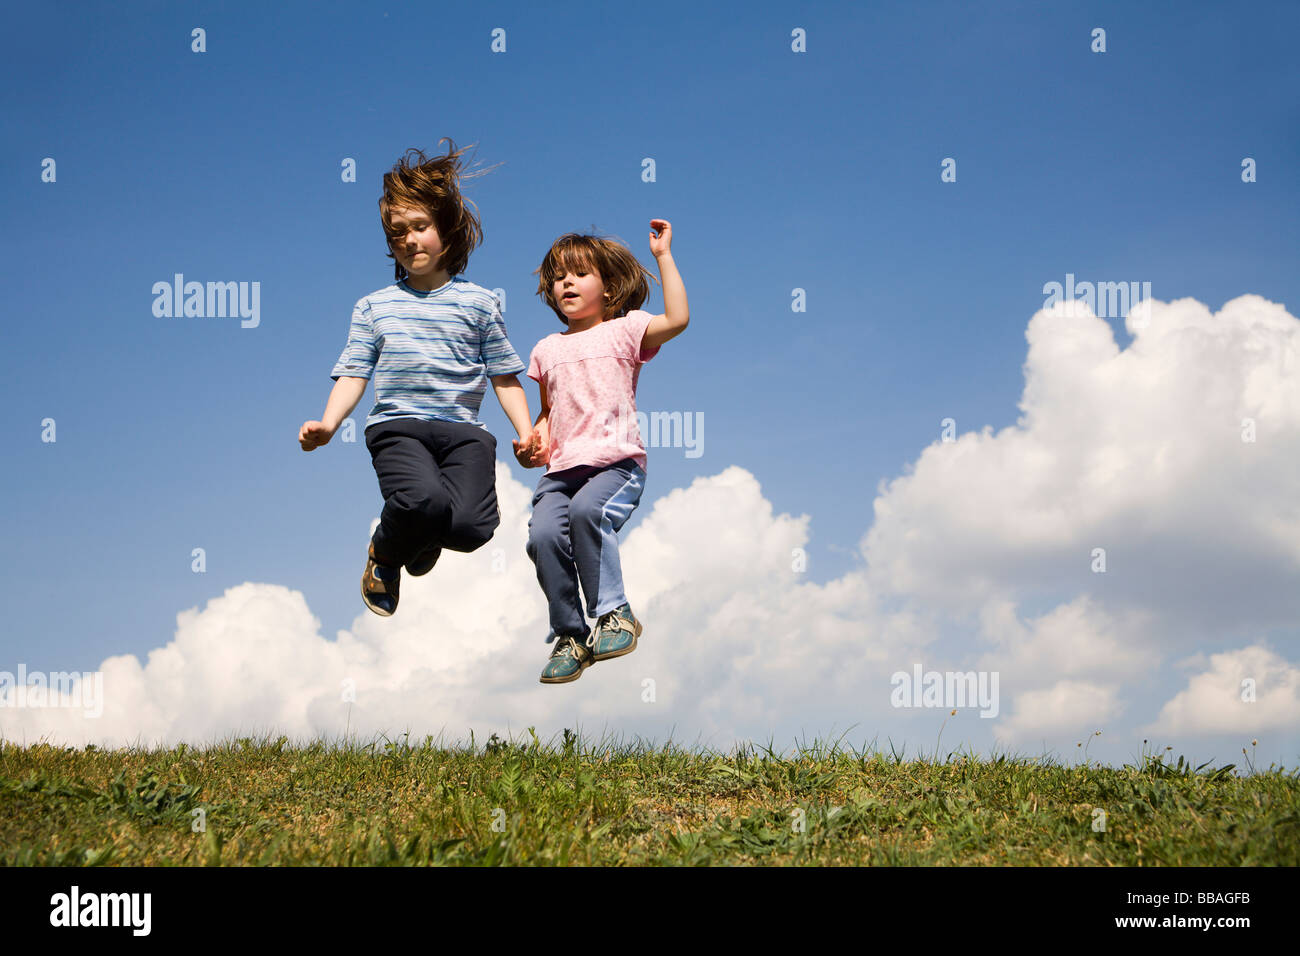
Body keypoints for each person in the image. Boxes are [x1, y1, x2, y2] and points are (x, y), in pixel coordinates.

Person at [298, 140, 539, 617]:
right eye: (397, 233)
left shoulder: (482, 303)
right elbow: (353, 373)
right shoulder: (374, 306)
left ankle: (421, 533)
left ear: (446, 231)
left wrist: (527, 432)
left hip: (464, 433)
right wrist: (328, 424)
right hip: (398, 427)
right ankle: (385, 555)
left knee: (471, 530)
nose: (409, 240)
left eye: (420, 227)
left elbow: (504, 376)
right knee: (421, 499)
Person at [518, 219, 689, 683]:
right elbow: (549, 412)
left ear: (610, 288)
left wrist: (664, 256)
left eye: (579, 273)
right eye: (558, 276)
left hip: (615, 464)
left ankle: (615, 615)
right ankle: (571, 636)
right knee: (542, 537)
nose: (565, 282)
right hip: (560, 472)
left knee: (587, 514)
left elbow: (677, 319)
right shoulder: (545, 349)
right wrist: (535, 441)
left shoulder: (625, 330)